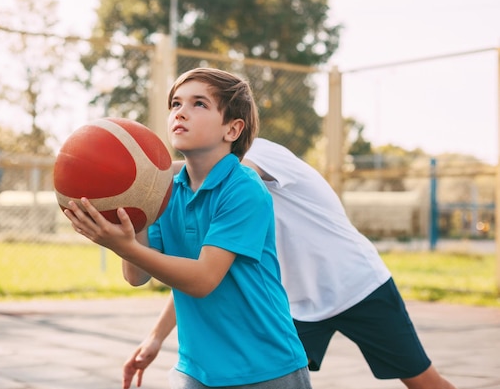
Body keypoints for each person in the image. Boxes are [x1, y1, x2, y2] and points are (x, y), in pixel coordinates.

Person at [122, 137, 457, 389]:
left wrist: (147, 176)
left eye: (201, 104)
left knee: (423, 382)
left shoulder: (256, 157)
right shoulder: (200, 195)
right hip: (295, 306)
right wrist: (155, 338)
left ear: (232, 126)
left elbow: (228, 173)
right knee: (270, 372)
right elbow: (202, 273)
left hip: (356, 285)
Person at [65, 68, 312, 389]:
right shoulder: (164, 191)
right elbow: (137, 275)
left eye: (199, 104)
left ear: (233, 129)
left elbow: (203, 279)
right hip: (196, 369)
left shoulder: (243, 188)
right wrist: (128, 225)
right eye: (175, 104)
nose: (181, 112)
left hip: (263, 367)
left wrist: (125, 247)